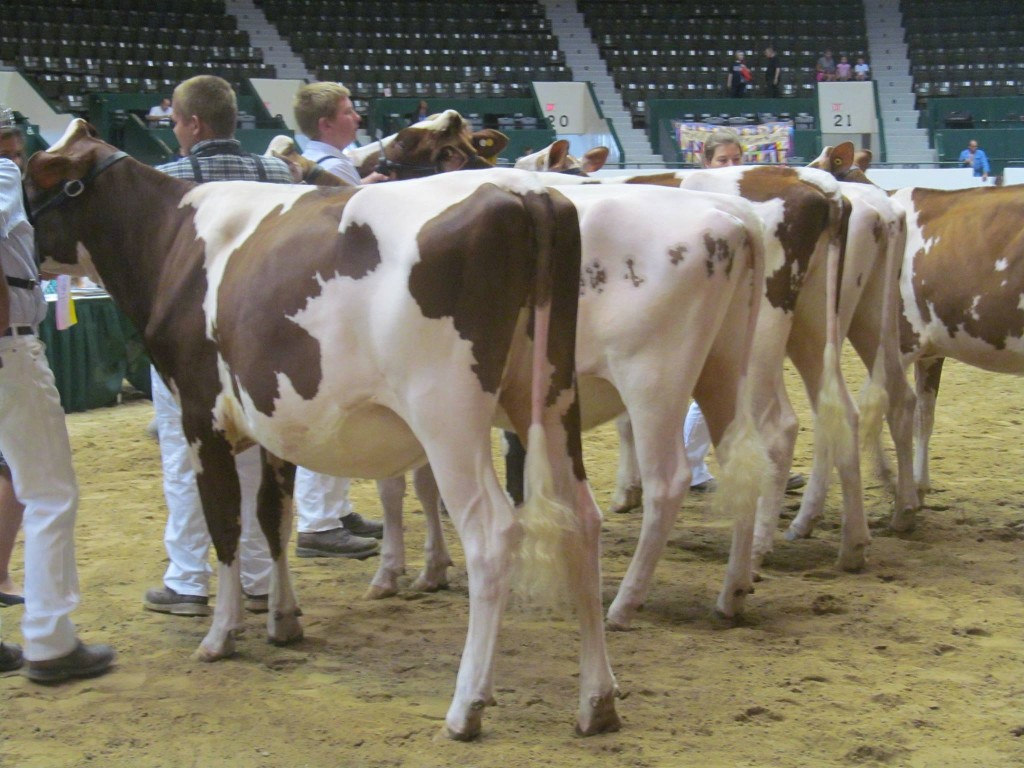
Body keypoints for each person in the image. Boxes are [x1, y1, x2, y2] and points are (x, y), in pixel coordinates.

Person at [141, 76, 379, 618]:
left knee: (188, 458)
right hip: (264, 336)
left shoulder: (166, 181)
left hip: (188, 337)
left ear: (195, 124)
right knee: (259, 453)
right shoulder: (277, 172)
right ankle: (255, 577)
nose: (176, 131)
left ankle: (187, 579)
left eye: (178, 121)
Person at [0, 106, 115, 681]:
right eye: (15, 147)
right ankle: (49, 640)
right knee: (49, 493)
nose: (18, 158)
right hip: (7, 348)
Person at [293, 81, 387, 186]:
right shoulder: (336, 168)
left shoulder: (308, 160)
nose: (357, 117)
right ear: (326, 125)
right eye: (348, 112)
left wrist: (367, 181)